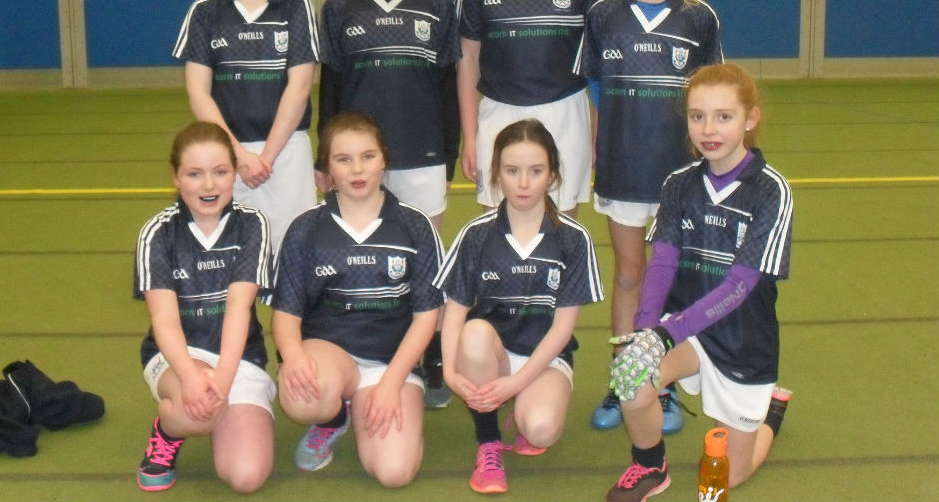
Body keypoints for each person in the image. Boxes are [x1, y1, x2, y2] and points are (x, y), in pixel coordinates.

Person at [604, 63, 793, 502]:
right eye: (697, 116)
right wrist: (647, 331)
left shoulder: (770, 191)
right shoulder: (679, 185)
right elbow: (663, 263)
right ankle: (651, 467)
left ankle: (772, 415)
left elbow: (740, 285)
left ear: (750, 119)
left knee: (728, 477)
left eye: (724, 117)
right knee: (630, 377)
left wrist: (664, 334)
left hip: (743, 342)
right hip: (686, 331)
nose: (709, 129)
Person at [579, 0, 723, 434]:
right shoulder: (603, 15)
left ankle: (658, 384)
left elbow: (711, 94)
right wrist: (596, 142)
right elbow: (593, 87)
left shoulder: (699, 17)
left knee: (672, 278)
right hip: (623, 167)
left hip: (680, 173)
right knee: (631, 275)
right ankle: (624, 379)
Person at [316, 0, 460, 409]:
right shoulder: (339, 5)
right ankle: (357, 355)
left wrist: (449, 150)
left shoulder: (438, 3)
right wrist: (323, 156)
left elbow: (448, 85)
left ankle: (433, 358)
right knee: (361, 261)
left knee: (425, 263)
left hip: (422, 153)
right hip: (356, 162)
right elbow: (329, 85)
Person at [271, 112, 444, 488]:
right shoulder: (306, 229)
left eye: (367, 156)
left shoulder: (415, 226)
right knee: (300, 398)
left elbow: (428, 316)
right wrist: (295, 358)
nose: (357, 169)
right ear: (327, 168)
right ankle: (332, 417)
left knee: (394, 473)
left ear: (384, 158)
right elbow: (285, 314)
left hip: (391, 362)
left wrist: (390, 384)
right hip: (330, 354)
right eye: (343, 159)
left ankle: (377, 406)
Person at [434, 119, 603, 494]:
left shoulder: (573, 240)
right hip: (492, 352)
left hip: (545, 358)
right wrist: (448, 373)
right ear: (496, 173)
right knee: (474, 335)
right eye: (512, 171)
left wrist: (516, 383)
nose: (523, 183)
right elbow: (456, 309)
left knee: (540, 430)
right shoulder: (476, 235)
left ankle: (524, 406)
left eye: (536, 171)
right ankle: (489, 441)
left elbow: (562, 331)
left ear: (553, 174)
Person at [456, 0, 610, 217]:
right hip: (498, 114)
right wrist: (470, 135)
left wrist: (602, 132)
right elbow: (468, 61)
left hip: (565, 113)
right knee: (497, 231)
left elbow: (604, 61)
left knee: (561, 230)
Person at [133, 121, 276, 493]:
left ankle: (218, 415)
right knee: (196, 413)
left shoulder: (252, 226)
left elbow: (238, 310)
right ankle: (167, 431)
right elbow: (164, 320)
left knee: (247, 477)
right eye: (194, 174)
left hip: (238, 355)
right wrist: (193, 378)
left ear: (234, 173)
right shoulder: (158, 234)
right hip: (178, 354)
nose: (209, 186)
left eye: (220, 172)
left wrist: (222, 383)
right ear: (176, 177)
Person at [172, 0, 319, 251]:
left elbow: (300, 87)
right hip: (224, 157)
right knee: (232, 256)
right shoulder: (205, 12)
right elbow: (198, 94)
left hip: (285, 154)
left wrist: (266, 158)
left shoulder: (296, 2)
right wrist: (238, 157)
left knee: (294, 256)